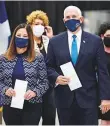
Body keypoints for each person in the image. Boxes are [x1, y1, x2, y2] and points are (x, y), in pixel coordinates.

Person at [46, 5, 110, 125]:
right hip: (64, 99)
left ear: (81, 19)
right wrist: (56, 77)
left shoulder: (95, 41)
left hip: (89, 98)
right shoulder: (55, 42)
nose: (71, 19)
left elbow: (102, 71)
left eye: (74, 17)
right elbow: (49, 67)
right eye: (68, 17)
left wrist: (106, 98)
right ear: (64, 21)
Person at [0, 23, 49, 125]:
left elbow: (45, 82)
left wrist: (35, 92)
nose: (21, 38)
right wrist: (5, 90)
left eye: (25, 36)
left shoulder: (38, 57)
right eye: (18, 35)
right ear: (14, 37)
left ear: (30, 38)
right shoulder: (3, 58)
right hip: (10, 105)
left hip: (32, 105)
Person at [26, 10, 56, 125]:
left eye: (42, 24)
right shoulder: (25, 42)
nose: (39, 26)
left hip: (49, 87)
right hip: (32, 87)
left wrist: (52, 38)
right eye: (36, 24)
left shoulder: (50, 41)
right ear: (30, 26)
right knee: (32, 120)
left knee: (49, 119)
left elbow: (58, 60)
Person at [98, 22, 110, 125]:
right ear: (102, 36)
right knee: (105, 121)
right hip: (103, 93)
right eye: (108, 36)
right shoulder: (98, 52)